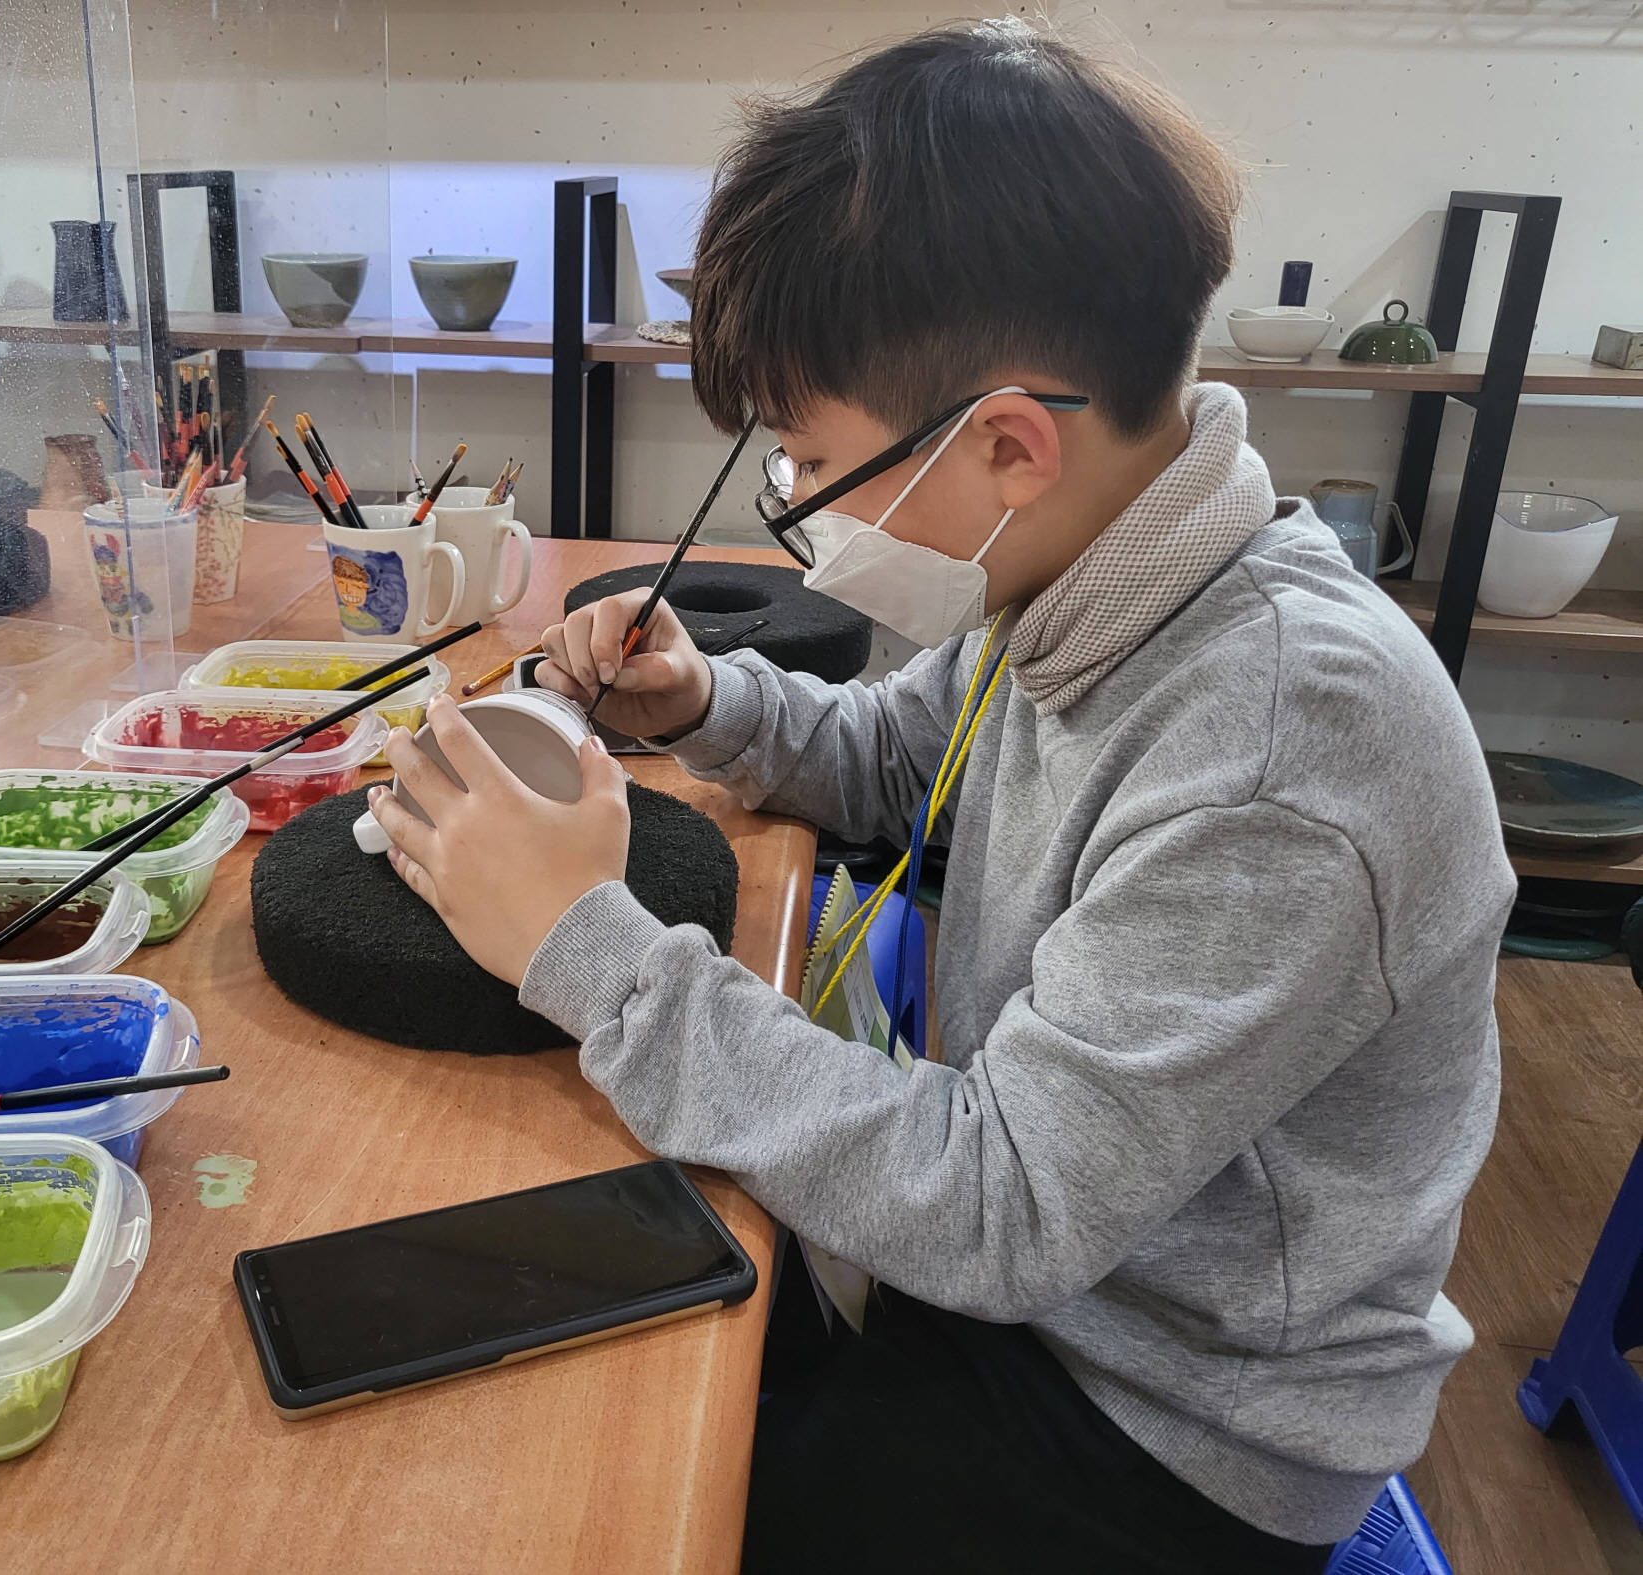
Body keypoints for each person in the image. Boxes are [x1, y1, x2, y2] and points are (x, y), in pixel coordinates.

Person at [365, 19, 1511, 1572]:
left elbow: (1002, 1209)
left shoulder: (1278, 748)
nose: (791, 499)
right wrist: (706, 704)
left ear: (1009, 446)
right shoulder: (1089, 568)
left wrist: (586, 943)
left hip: (1167, 1429)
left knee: (586, 1507)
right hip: (1033, 1285)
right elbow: (911, 762)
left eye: (807, 459)